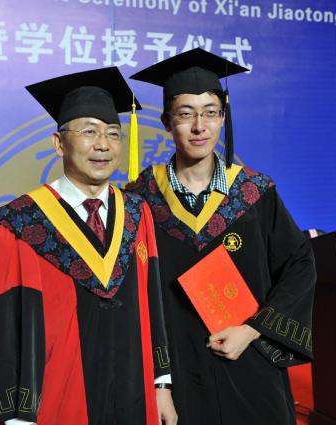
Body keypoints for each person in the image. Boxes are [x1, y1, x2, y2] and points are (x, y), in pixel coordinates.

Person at [125, 48, 316, 424]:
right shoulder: (141, 199)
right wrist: (158, 383)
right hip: (178, 375)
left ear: (223, 118)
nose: (200, 126)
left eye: (210, 112)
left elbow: (299, 264)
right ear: (166, 122)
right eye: (185, 114)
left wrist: (253, 330)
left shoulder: (254, 193)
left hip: (249, 362)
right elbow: (132, 296)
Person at [0, 67, 177, 425]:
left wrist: (161, 384)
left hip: (135, 394)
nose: (103, 144)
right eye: (89, 132)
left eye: (112, 134)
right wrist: (14, 417)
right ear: (59, 143)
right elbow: (2, 330)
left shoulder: (137, 213)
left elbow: (154, 304)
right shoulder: (21, 224)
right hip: (59, 400)